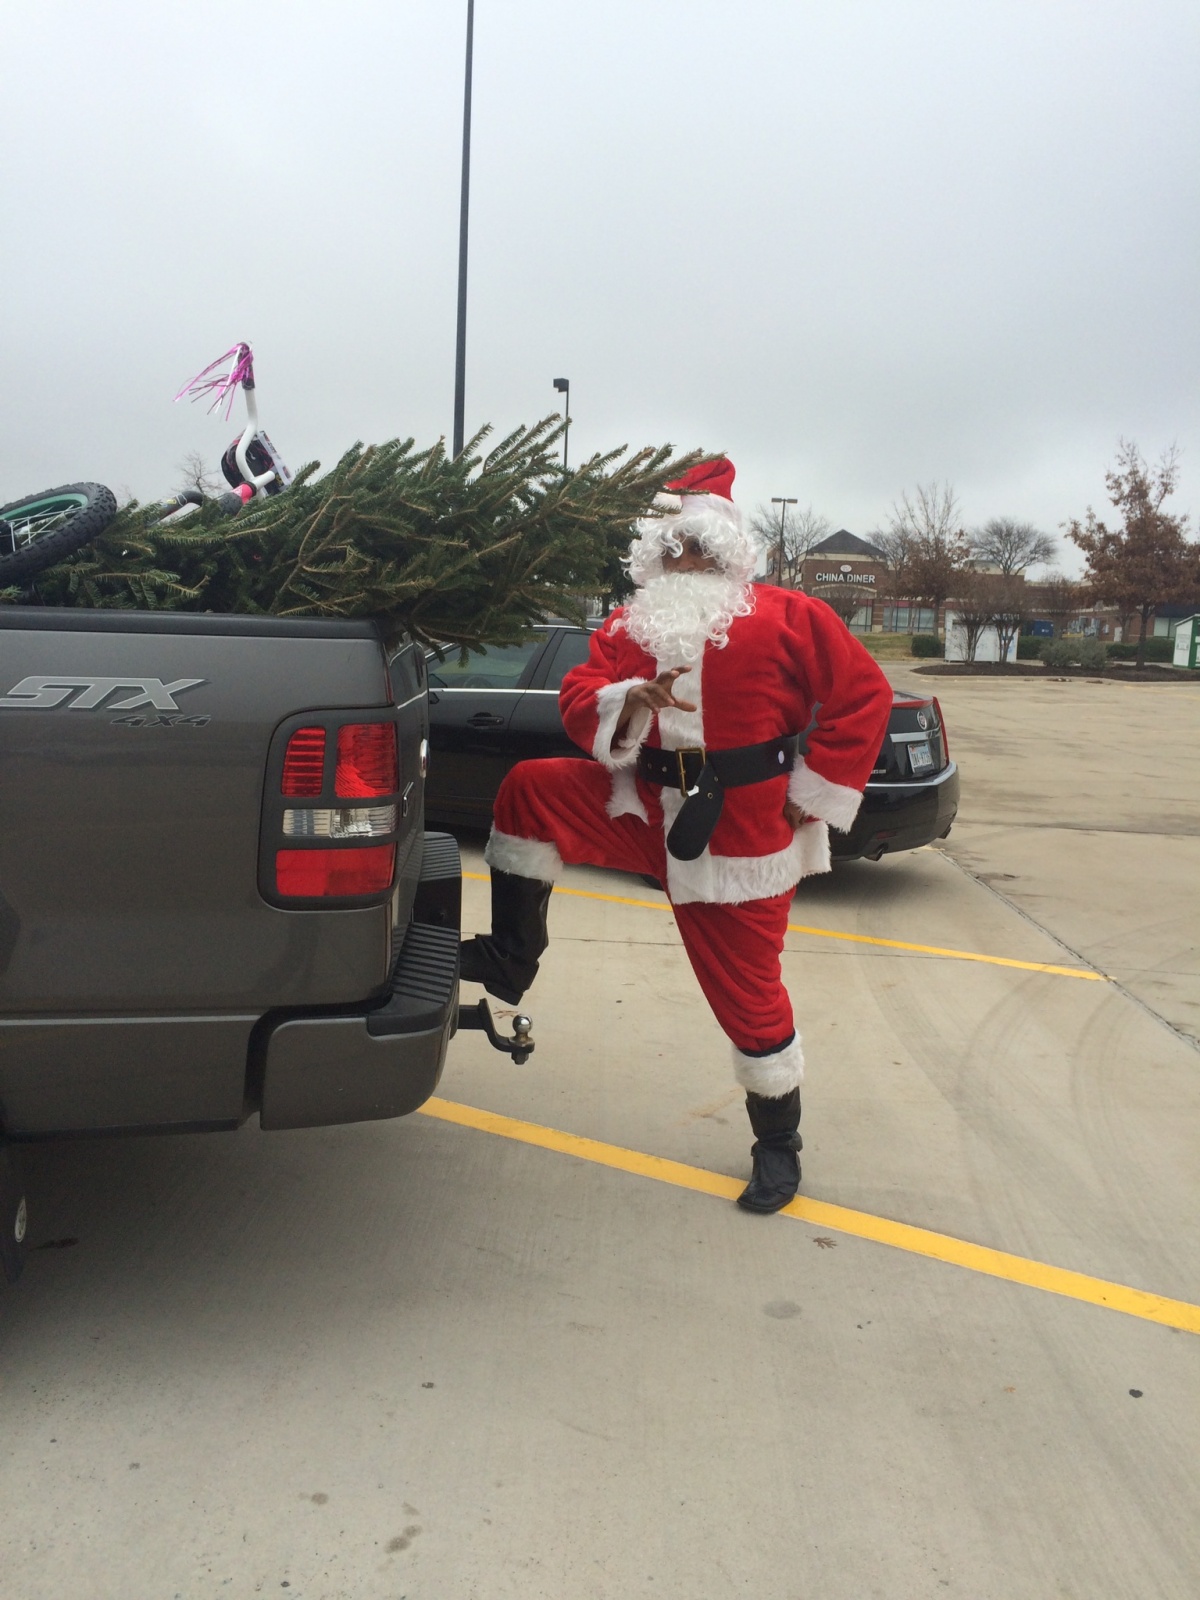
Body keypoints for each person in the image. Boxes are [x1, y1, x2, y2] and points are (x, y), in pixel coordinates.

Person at [460, 458, 893, 1212]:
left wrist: (811, 795)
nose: (682, 561)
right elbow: (579, 698)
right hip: (642, 809)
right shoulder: (631, 624)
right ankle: (511, 956)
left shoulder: (791, 616)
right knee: (532, 787)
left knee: (749, 996)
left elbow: (864, 695)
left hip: (741, 837)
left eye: (696, 548)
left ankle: (778, 1144)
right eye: (670, 549)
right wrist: (631, 698)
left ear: (726, 552)